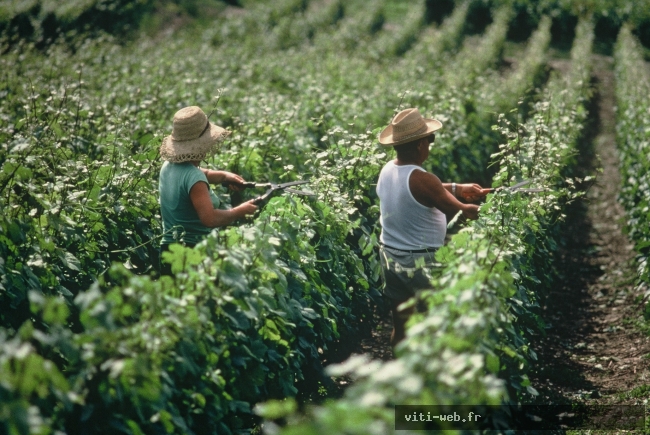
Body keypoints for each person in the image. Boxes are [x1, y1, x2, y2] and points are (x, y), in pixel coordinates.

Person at [376, 107, 489, 347]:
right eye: (430, 139)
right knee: (439, 323)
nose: (430, 144)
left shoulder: (388, 170)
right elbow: (463, 212)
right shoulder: (423, 179)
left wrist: (458, 188)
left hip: (390, 256)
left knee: (401, 326)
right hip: (421, 262)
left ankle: (400, 365)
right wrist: (497, 203)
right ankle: (432, 365)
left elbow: (419, 189)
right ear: (419, 144)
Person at [158, 106, 258, 275]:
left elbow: (200, 174)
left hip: (168, 252)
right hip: (193, 253)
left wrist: (224, 176)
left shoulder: (168, 166)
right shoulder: (195, 178)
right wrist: (240, 211)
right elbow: (210, 219)